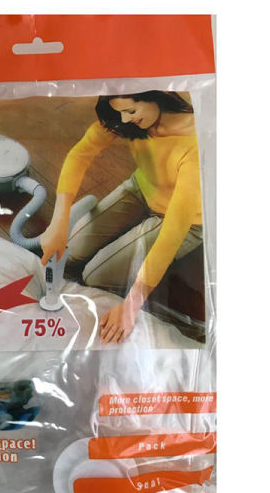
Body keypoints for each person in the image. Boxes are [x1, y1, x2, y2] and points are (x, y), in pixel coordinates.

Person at [40, 91, 203, 344]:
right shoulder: (129, 118)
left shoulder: (197, 144)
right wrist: (59, 222)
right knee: (72, 251)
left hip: (183, 221)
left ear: (154, 95)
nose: (125, 120)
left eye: (130, 111)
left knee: (95, 276)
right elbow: (80, 154)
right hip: (141, 189)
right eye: (120, 113)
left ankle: (183, 318)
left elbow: (171, 234)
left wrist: (131, 305)